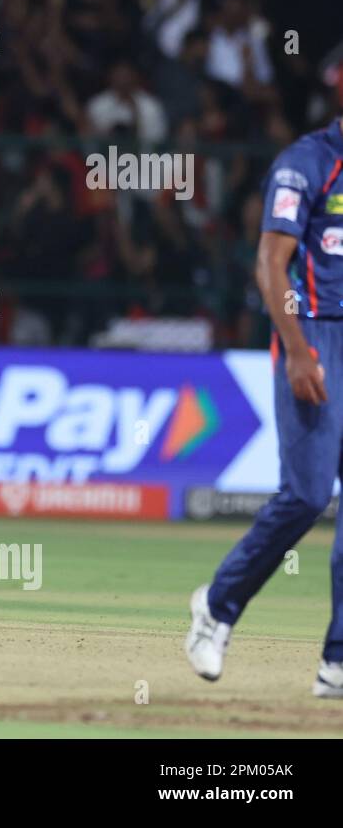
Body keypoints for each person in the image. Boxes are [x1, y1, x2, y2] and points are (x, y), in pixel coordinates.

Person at [186, 117, 343, 698]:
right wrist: (299, 352)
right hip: (315, 336)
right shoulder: (307, 161)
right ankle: (217, 605)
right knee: (306, 494)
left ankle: (338, 663)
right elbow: (270, 263)